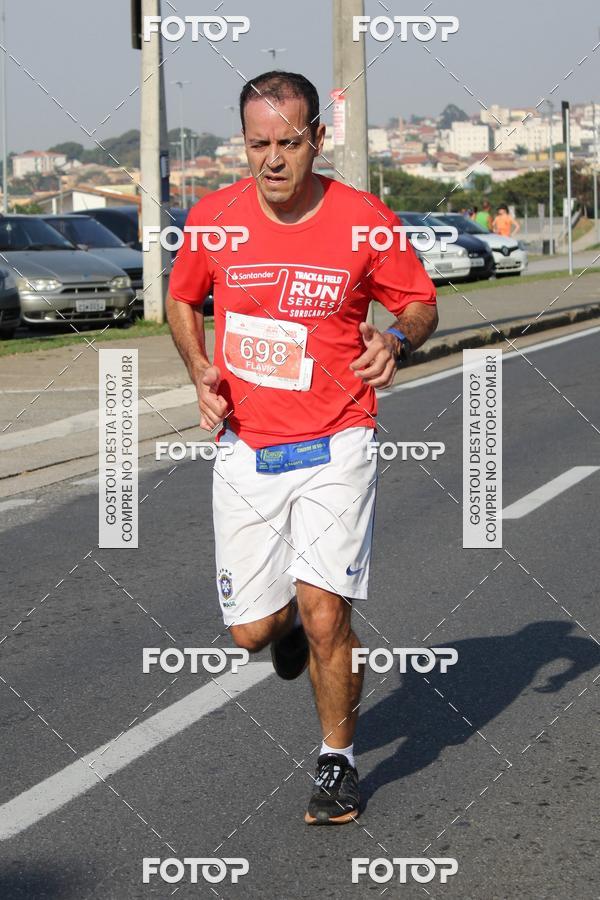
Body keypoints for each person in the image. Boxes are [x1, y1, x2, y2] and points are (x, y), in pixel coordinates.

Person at [166, 71, 438, 825]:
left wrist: (396, 338)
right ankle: (277, 624)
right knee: (255, 630)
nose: (275, 159)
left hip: (338, 439)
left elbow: (419, 301)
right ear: (242, 144)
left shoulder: (362, 218)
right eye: (260, 144)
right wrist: (199, 368)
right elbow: (183, 296)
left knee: (327, 614)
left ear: (317, 139)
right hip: (248, 447)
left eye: (290, 142)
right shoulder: (214, 219)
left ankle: (336, 763)